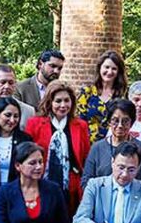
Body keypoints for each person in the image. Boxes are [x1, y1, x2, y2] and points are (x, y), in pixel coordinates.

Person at [73, 141, 141, 223]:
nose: (125, 174)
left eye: (131, 170)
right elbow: (80, 218)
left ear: (138, 168)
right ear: (112, 162)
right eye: (121, 168)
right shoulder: (95, 186)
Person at [24, 80, 91, 212]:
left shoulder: (80, 125)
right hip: (41, 184)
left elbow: (85, 157)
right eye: (58, 101)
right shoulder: (34, 124)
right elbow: (26, 157)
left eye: (67, 100)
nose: (63, 105)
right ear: (50, 102)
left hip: (72, 188)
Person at [0, 142, 70, 223]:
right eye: (32, 163)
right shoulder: (4, 193)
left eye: (40, 162)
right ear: (18, 166)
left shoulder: (54, 190)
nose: (38, 167)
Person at [81, 99, 141, 189]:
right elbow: (86, 181)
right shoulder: (97, 148)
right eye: (115, 120)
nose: (120, 125)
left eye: (125, 121)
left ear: (132, 123)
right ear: (109, 122)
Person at [76, 50, 128, 143]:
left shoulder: (122, 95)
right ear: (100, 67)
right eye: (106, 67)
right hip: (88, 145)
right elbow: (79, 121)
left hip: (115, 145)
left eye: (114, 69)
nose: (109, 72)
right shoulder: (87, 93)